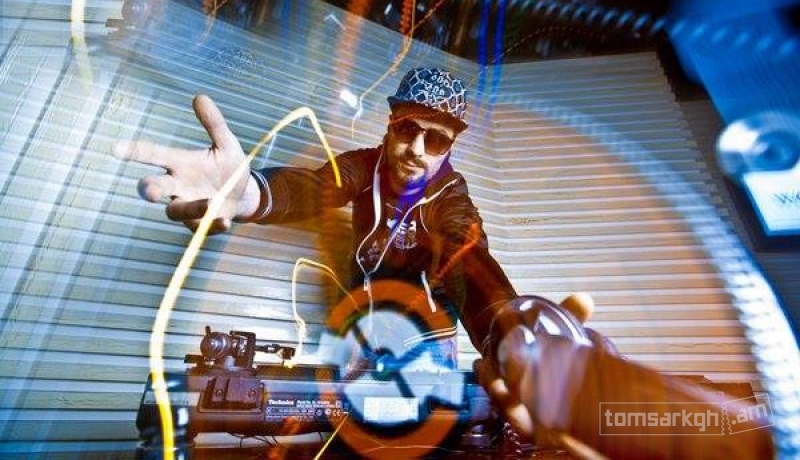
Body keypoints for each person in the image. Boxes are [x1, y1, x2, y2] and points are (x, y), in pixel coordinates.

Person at [115, 67, 580, 439]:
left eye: (436, 139)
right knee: (347, 432)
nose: (417, 150)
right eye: (408, 129)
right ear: (391, 124)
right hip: (363, 330)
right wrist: (251, 194)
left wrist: (511, 337)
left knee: (412, 438)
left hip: (425, 343)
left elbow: (469, 260)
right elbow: (314, 187)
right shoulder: (364, 165)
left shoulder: (452, 200)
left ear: (450, 146)